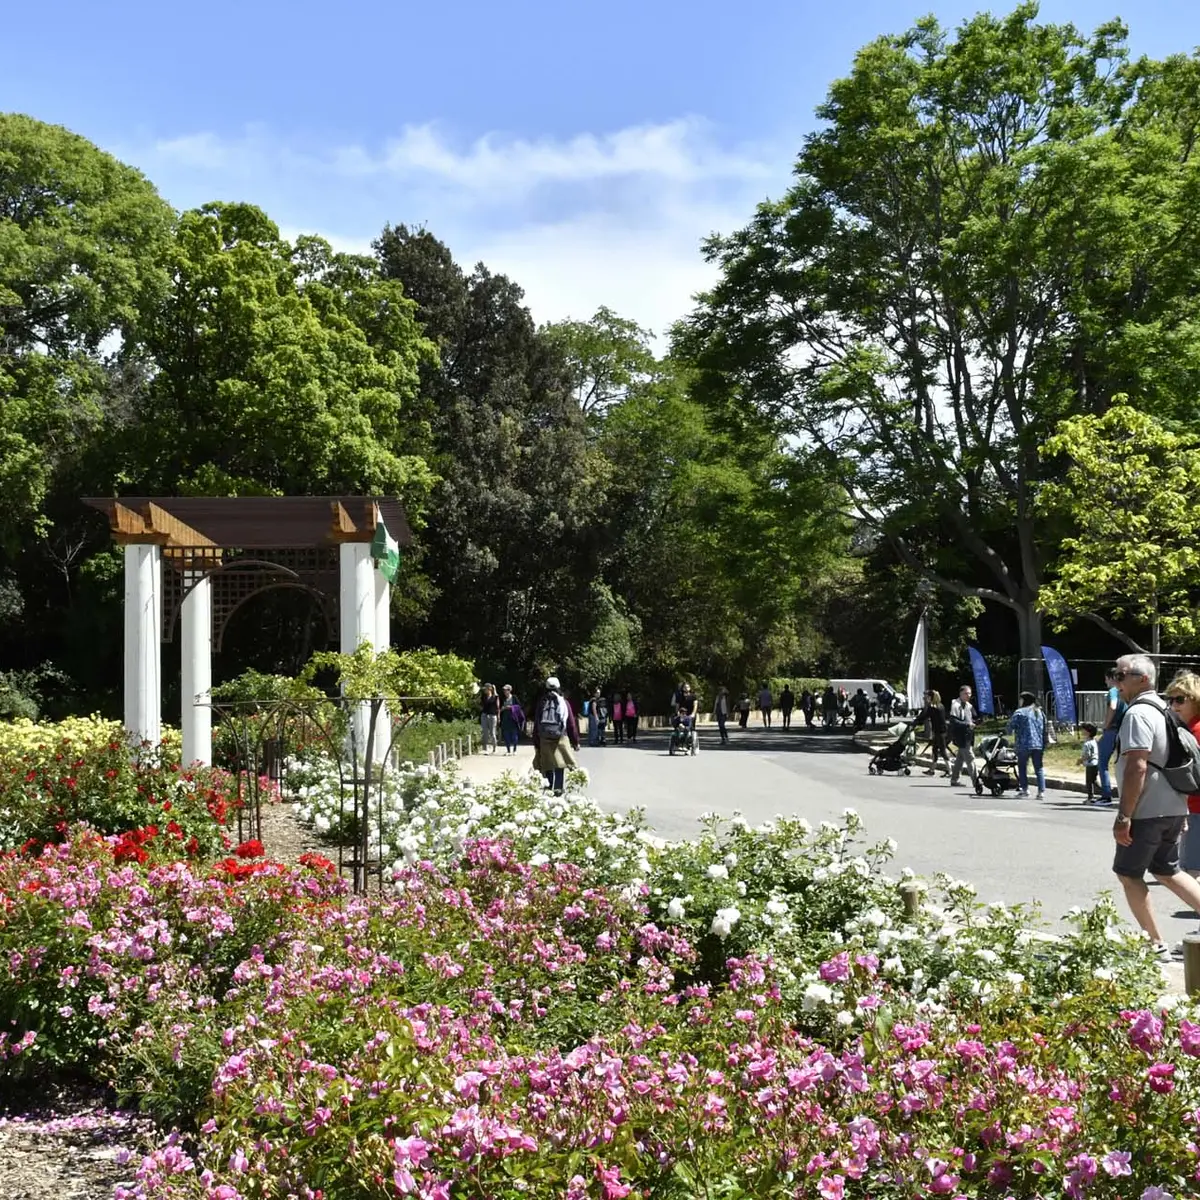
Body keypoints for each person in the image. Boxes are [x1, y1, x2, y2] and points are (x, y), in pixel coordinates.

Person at [1110, 653, 1200, 960]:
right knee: (1167, 870)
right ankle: (1155, 941)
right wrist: (1182, 809)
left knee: (1128, 873)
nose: (1115, 681)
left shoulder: (1138, 714)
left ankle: (1154, 943)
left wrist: (1124, 815)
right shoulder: (1166, 710)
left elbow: (1137, 766)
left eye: (1120, 675)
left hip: (1147, 810)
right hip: (1174, 806)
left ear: (1142, 678)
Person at [1164, 671, 1200, 878]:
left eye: (1180, 699)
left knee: (1191, 869)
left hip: (1196, 808)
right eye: (1171, 699)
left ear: (1195, 700)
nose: (1173, 705)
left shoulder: (1193, 732)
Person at [532, 676, 579, 795]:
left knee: (547, 766)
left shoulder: (542, 702)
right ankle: (558, 792)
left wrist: (536, 743)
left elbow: (537, 723)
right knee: (560, 765)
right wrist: (575, 741)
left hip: (544, 738)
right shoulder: (564, 703)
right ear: (559, 687)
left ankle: (548, 791)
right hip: (560, 737)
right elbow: (571, 724)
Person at [1007, 691, 1046, 799]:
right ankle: (1041, 791)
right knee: (1039, 767)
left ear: (1024, 700)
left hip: (1024, 744)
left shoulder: (1020, 712)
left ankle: (1025, 789)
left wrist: (1009, 732)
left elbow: (1010, 727)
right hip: (1038, 743)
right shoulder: (1039, 712)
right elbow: (1045, 729)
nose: (1019, 701)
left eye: (1021, 699)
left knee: (1022, 767)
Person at [1097, 670, 1125, 805]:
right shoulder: (1125, 691)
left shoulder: (1113, 691)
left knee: (1102, 763)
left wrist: (1106, 725)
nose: (1105, 682)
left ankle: (1106, 795)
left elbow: (1113, 706)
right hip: (1123, 730)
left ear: (1111, 678)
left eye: (1106, 679)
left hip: (1112, 730)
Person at [948, 685, 981, 790]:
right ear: (960, 694)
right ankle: (976, 781)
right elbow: (953, 721)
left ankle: (954, 779)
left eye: (970, 693)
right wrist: (967, 724)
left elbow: (974, 718)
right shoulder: (955, 705)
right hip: (960, 735)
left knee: (960, 759)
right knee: (970, 758)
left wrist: (978, 722)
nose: (968, 695)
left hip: (968, 735)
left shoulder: (969, 706)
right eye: (966, 693)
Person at [916, 690, 949, 775]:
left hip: (939, 732)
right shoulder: (940, 706)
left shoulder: (932, 707)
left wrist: (915, 721)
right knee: (934, 750)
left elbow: (924, 716)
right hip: (941, 731)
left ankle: (950, 770)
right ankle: (932, 770)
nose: (925, 698)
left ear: (931, 697)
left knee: (942, 751)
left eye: (927, 697)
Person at [498, 684, 525, 755]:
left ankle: (515, 750)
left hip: (513, 718)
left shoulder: (514, 697)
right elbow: (499, 708)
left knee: (514, 735)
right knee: (506, 735)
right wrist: (502, 710)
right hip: (505, 718)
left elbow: (519, 706)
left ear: (509, 690)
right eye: (504, 690)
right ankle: (508, 750)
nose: (504, 691)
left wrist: (510, 707)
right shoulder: (503, 698)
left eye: (506, 690)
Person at [1078, 723, 1100, 802]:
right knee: (1094, 780)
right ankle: (1105, 791)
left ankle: (1090, 797)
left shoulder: (1087, 743)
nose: (1082, 731)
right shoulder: (1095, 741)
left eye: (1083, 730)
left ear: (1088, 732)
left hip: (1090, 764)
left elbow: (1087, 755)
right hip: (1096, 762)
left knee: (1089, 782)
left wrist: (1080, 760)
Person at [479, 683, 500, 754]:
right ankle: (485, 749)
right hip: (484, 715)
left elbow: (498, 707)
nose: (485, 690)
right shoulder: (483, 697)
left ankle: (494, 748)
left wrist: (498, 716)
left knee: (492, 733)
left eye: (486, 689)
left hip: (492, 716)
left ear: (489, 689)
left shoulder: (495, 697)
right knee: (484, 732)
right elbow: (481, 705)